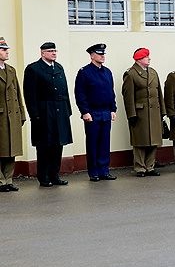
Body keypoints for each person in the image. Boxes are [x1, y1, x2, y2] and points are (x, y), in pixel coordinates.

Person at [23, 41, 72, 187]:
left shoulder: (58, 67)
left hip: (60, 111)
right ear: (42, 53)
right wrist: (34, 115)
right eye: (50, 51)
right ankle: (43, 176)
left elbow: (64, 90)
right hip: (44, 112)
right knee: (44, 145)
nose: (54, 53)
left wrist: (67, 110)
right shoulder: (34, 69)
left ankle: (54, 174)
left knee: (58, 145)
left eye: (55, 51)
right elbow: (30, 94)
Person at [74, 43, 117, 181]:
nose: (102, 56)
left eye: (104, 54)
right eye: (99, 54)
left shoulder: (107, 72)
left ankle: (104, 170)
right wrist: (84, 111)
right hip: (92, 112)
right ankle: (94, 172)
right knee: (93, 143)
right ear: (92, 56)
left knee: (105, 143)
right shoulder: (84, 72)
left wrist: (113, 109)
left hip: (105, 111)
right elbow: (80, 94)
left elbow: (111, 92)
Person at [122, 47, 166, 177]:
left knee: (154, 141)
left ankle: (150, 166)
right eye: (147, 57)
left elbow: (159, 93)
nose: (149, 59)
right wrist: (131, 114)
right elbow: (127, 96)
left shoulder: (153, 72)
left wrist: (162, 111)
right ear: (139, 59)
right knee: (140, 141)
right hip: (140, 114)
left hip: (154, 112)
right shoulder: (131, 74)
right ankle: (140, 167)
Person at [0, 37, 24, 192]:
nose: (7, 52)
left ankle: (8, 179)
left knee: (11, 148)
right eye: (3, 49)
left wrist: (22, 112)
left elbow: (18, 93)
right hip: (1, 116)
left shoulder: (11, 70)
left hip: (12, 115)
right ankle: (0, 181)